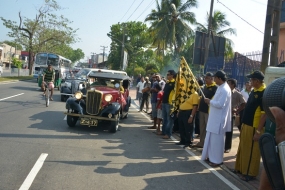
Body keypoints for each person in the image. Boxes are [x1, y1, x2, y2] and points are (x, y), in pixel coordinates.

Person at [234, 70, 266, 182]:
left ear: (257, 81)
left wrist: (258, 131)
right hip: (246, 125)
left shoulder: (263, 93)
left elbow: (264, 115)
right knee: (244, 148)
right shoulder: (254, 91)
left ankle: (250, 173)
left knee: (253, 151)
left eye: (252, 80)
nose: (250, 81)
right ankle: (241, 169)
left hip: (254, 128)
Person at [201, 70, 232, 167]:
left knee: (217, 142)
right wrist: (210, 101)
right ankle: (210, 157)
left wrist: (209, 102)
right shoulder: (220, 87)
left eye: (215, 78)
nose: (214, 80)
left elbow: (220, 104)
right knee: (211, 140)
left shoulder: (225, 89)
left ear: (219, 78)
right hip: (214, 118)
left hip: (219, 120)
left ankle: (217, 160)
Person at [193, 72, 217, 148]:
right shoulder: (204, 87)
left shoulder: (215, 88)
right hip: (202, 110)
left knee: (208, 128)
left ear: (212, 79)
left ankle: (207, 144)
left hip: (209, 111)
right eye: (205, 78)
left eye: (207, 78)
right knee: (202, 127)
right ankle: (201, 142)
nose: (205, 79)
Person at [224, 78, 246, 153]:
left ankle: (227, 147)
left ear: (233, 85)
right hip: (223, 114)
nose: (227, 85)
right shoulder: (225, 92)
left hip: (230, 115)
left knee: (229, 132)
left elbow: (244, 103)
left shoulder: (237, 94)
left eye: (229, 83)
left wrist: (237, 110)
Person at [160, 70, 176, 139]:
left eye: (169, 74)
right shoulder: (167, 82)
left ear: (172, 75)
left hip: (170, 103)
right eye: (167, 74)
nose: (167, 76)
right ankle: (163, 131)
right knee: (164, 118)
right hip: (164, 102)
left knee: (169, 119)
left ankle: (168, 134)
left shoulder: (175, 83)